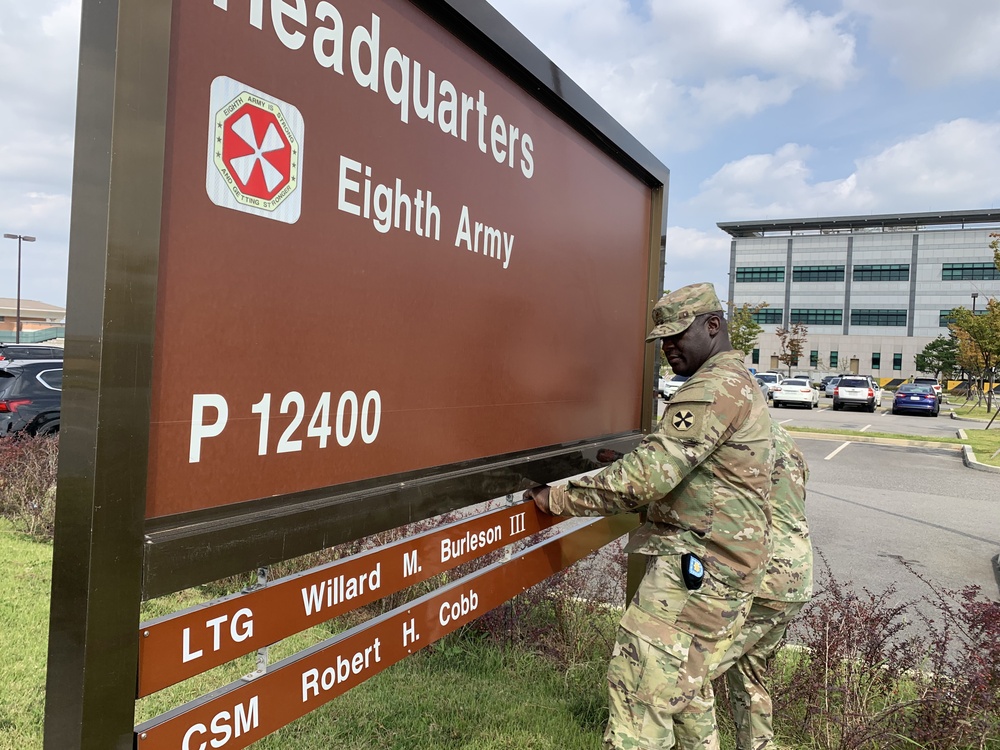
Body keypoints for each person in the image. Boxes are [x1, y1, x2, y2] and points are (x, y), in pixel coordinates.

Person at [524, 282, 774, 749]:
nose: (668, 347)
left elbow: (646, 479)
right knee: (684, 696)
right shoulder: (738, 382)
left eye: (678, 335)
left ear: (713, 326)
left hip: (699, 569)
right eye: (662, 339)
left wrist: (554, 498)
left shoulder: (711, 388)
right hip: (722, 566)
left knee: (639, 695)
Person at [674, 422, 813, 750]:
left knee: (685, 678)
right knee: (748, 674)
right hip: (795, 573)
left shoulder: (726, 433)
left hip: (759, 576)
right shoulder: (783, 438)